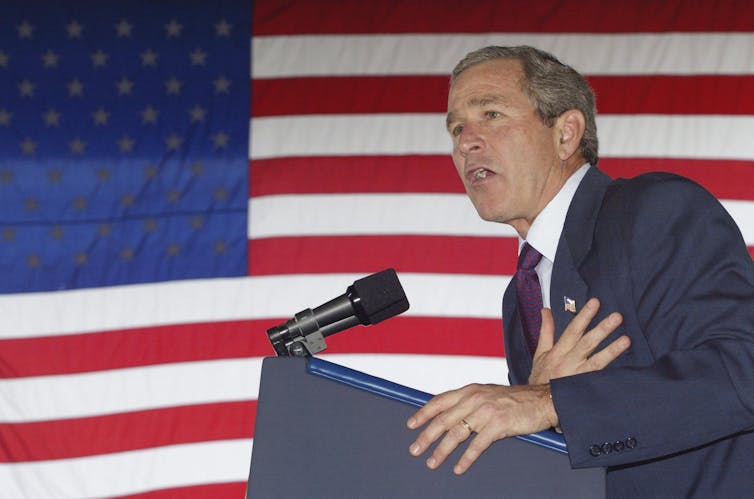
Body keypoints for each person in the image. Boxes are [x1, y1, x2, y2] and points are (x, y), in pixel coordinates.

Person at [406, 45, 754, 497]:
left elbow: (743, 369)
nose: (464, 141)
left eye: (491, 114)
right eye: (456, 128)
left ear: (566, 134)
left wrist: (549, 402)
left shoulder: (652, 210)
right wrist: (540, 412)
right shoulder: (522, 295)